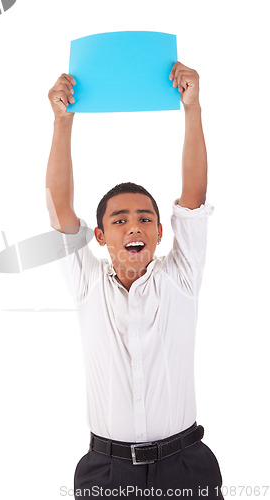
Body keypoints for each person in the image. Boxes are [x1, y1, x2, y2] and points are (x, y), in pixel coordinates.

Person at [45, 62, 224, 499]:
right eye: (120, 220)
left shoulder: (181, 276)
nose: (134, 227)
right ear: (101, 235)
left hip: (185, 468)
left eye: (146, 218)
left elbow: (194, 195)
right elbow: (59, 209)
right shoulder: (87, 284)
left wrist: (193, 109)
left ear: (160, 232)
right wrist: (61, 122)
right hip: (107, 472)